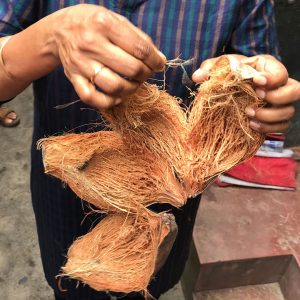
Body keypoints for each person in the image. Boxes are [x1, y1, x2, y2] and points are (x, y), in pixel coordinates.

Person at [1, 1, 299, 299]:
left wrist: (258, 86)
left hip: (170, 209)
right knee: (73, 285)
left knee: (152, 284)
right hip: (66, 198)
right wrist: (50, 37)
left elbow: (258, 66)